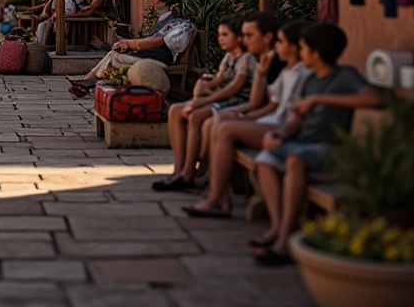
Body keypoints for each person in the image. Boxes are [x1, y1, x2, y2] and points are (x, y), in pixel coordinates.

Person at [250, 22, 383, 266]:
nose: (300, 53)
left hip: (329, 149)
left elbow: (374, 97)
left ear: (316, 52)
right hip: (302, 144)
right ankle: (278, 227)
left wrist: (317, 99)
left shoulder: (344, 76)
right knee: (266, 159)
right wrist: (281, 134)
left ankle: (285, 240)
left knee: (294, 161)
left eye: (303, 48)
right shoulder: (309, 79)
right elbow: (295, 119)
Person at [186, 19, 310, 219]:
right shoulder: (283, 68)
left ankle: (215, 196)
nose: (244, 40)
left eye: (248, 35)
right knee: (217, 122)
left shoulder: (289, 68)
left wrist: (246, 115)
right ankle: (213, 190)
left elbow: (266, 104)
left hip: (283, 125)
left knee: (221, 125)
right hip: (274, 119)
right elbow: (271, 102)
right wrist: (260, 77)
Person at [152, 17, 256, 192]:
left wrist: (205, 98)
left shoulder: (247, 59)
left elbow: (234, 89)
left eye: (225, 35)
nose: (220, 39)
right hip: (223, 99)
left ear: (239, 38)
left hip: (237, 103)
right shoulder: (230, 57)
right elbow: (220, 80)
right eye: (219, 35)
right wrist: (204, 85)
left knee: (195, 114)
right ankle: (179, 169)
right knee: (176, 110)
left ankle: (188, 173)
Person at [68, 0, 193, 94]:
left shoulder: (176, 22)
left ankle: (85, 83)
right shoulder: (168, 21)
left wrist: (130, 44)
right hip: (150, 56)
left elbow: (157, 40)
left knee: (114, 57)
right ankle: (88, 83)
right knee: (114, 56)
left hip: (157, 60)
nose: (153, 1)